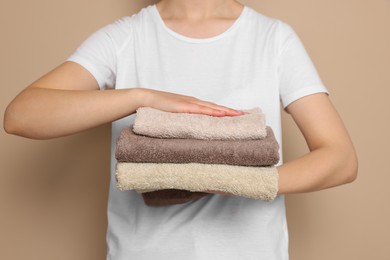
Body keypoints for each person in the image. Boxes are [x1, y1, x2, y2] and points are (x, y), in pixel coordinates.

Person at [3, 0, 358, 259]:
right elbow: (22, 115)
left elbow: (340, 159)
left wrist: (240, 182)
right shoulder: (126, 37)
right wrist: (143, 97)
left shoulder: (272, 38)